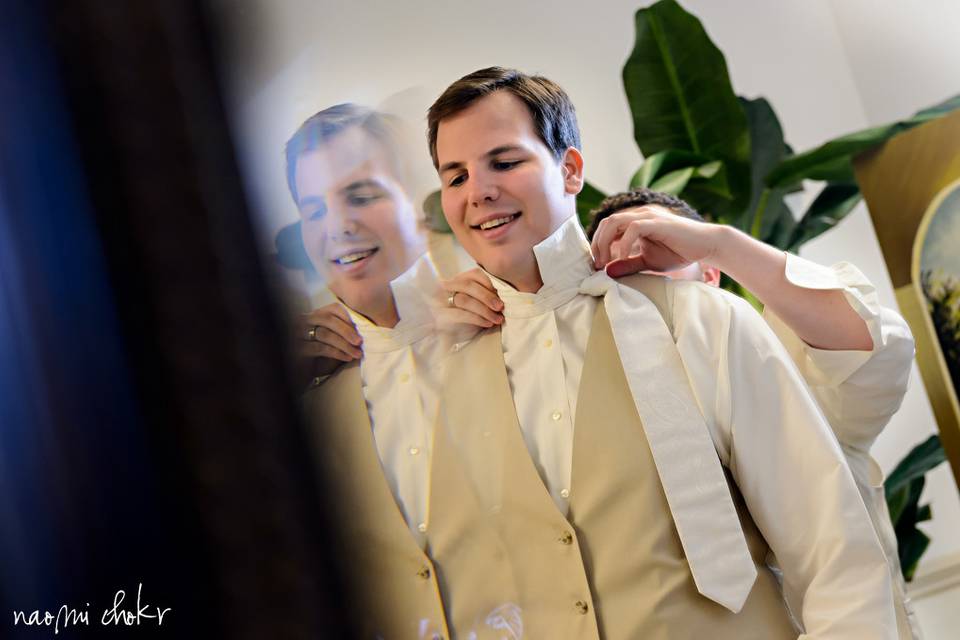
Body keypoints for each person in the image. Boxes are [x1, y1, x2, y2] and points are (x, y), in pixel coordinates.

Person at [421, 66, 898, 638]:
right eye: (455, 178)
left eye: (504, 161)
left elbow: (831, 550)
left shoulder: (700, 319)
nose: (478, 191)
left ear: (570, 170)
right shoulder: (445, 374)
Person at [285, 104, 465, 638]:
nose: (338, 225)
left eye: (361, 195)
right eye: (313, 210)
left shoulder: (512, 334)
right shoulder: (309, 404)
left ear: (420, 203)